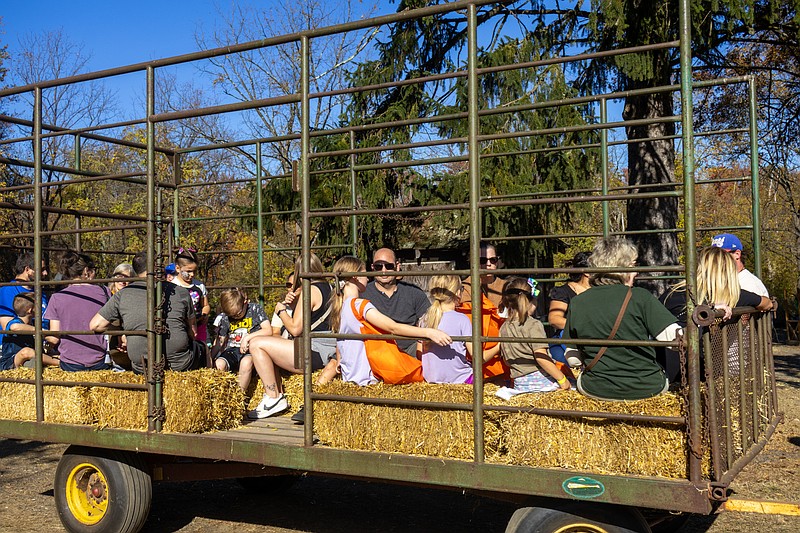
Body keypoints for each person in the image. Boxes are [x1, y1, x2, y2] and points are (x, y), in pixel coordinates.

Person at [563, 237, 681, 401]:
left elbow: (572, 358)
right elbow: (675, 339)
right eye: (633, 266)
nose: (636, 272)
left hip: (595, 388)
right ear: (622, 268)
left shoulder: (577, 302)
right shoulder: (640, 297)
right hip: (647, 387)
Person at [330, 256, 451, 387]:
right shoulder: (360, 306)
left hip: (351, 378)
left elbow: (340, 341)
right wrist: (429, 333)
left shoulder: (342, 307)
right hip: (367, 380)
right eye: (364, 273)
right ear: (355, 277)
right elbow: (393, 327)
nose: (368, 277)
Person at [244, 253, 337, 419]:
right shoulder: (330, 288)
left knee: (257, 344)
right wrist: (294, 305)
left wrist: (281, 311)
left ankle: (273, 397)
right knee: (268, 344)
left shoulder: (310, 290)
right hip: (327, 349)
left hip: (313, 352)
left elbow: (295, 328)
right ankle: (274, 395)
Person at [90, 251, 202, 374]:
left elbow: (95, 325)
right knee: (202, 348)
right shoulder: (181, 292)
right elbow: (194, 333)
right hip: (179, 364)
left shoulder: (122, 294)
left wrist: (123, 333)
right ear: (156, 266)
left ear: (135, 270)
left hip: (142, 367)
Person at [420, 274, 499, 384]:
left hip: (432, 381)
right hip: (461, 380)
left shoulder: (424, 319)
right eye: (462, 289)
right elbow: (478, 358)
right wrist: (499, 346)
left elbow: (419, 353)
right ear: (457, 293)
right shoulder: (462, 319)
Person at [499, 277, 571, 393]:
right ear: (531, 301)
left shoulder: (504, 327)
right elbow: (541, 357)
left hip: (519, 384)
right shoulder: (533, 324)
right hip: (541, 383)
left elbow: (507, 361)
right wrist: (562, 380)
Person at [44, 252, 112, 372]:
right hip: (101, 360)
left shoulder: (57, 297)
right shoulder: (105, 292)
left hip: (70, 362)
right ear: (86, 271)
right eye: (93, 269)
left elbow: (54, 338)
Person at [362, 247, 430, 357]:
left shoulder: (414, 292)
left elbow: (429, 320)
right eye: (378, 266)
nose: (383, 271)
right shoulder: (363, 294)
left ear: (397, 266)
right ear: (372, 267)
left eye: (388, 266)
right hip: (376, 351)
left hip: (410, 350)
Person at [212, 288, 269, 392]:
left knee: (246, 363)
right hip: (232, 350)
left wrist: (247, 338)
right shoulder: (226, 317)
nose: (235, 317)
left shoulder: (255, 309)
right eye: (232, 315)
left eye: (238, 314)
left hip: (251, 350)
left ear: (245, 303)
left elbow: (268, 330)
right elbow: (220, 341)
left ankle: (239, 395)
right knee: (219, 364)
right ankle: (223, 395)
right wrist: (211, 358)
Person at [547, 251, 592, 363]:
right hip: (569, 340)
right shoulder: (563, 292)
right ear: (586, 272)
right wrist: (583, 326)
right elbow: (554, 319)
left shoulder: (600, 291)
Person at [0, 252, 49, 352]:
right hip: (17, 348)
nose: (45, 273)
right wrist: (42, 333)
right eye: (42, 269)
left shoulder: (40, 292)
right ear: (27, 269)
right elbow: (7, 326)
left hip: (43, 345)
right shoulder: (7, 291)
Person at [0, 293, 59, 370]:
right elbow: (15, 327)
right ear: (30, 310)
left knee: (34, 360)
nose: (40, 309)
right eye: (38, 307)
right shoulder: (15, 322)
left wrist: (49, 339)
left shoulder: (34, 324)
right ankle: (59, 363)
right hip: (11, 361)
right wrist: (39, 331)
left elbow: (53, 339)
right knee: (26, 352)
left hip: (31, 358)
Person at [172, 247, 211, 358]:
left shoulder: (199, 286)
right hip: (181, 326)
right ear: (178, 268)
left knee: (203, 348)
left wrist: (204, 314)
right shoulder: (173, 286)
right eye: (188, 271)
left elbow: (206, 305)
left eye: (194, 271)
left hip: (198, 325)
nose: (192, 274)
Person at [270, 273, 295, 337]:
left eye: (296, 285)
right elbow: (275, 332)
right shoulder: (281, 306)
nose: (292, 288)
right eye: (289, 285)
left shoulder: (311, 304)